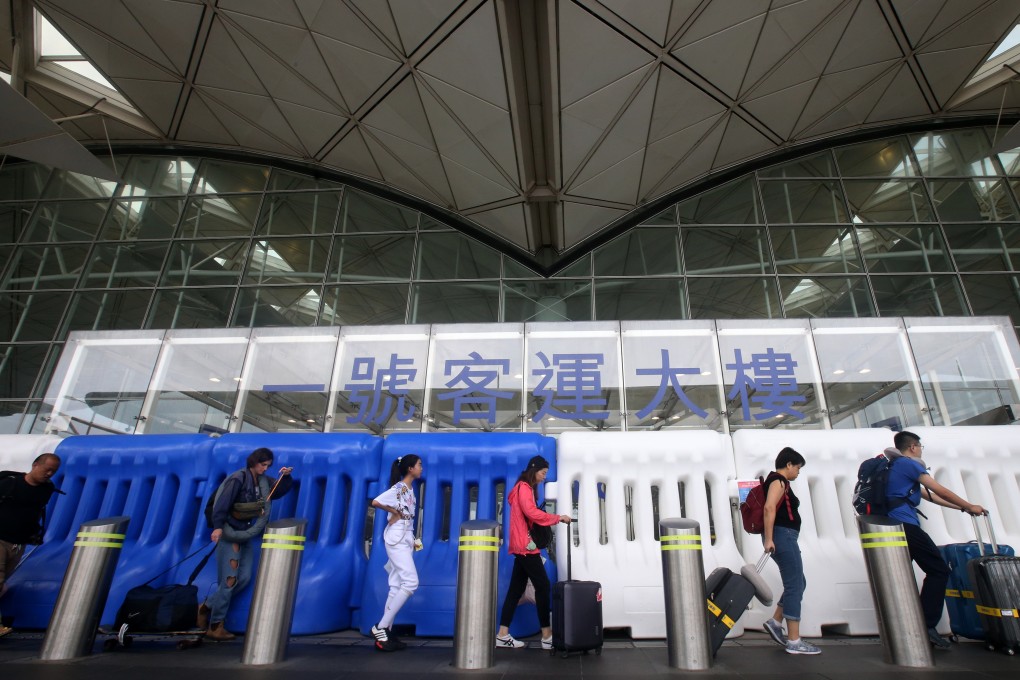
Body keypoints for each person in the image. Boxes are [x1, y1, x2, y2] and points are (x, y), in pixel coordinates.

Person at [886, 430, 985, 650]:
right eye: (920, 446)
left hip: (891, 526)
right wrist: (970, 505)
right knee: (939, 570)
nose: (921, 450)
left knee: (903, 575)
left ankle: (909, 628)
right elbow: (939, 489)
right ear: (913, 447)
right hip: (906, 525)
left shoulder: (894, 467)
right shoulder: (909, 465)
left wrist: (963, 508)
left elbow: (930, 496)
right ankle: (927, 626)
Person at [199, 447, 292, 641]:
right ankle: (216, 625)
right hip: (231, 533)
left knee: (243, 578)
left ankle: (207, 606)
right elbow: (222, 503)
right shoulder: (238, 479)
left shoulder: (262, 482)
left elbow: (278, 491)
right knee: (229, 580)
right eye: (263, 464)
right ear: (254, 462)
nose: (265, 469)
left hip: (243, 533)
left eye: (268, 466)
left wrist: (285, 477)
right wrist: (217, 527)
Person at [495, 455, 572, 650]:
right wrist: (557, 518)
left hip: (523, 546)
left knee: (515, 590)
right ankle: (547, 636)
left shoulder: (523, 488)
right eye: (543, 473)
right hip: (526, 546)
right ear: (534, 470)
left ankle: (502, 634)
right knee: (543, 586)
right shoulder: (524, 488)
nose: (544, 477)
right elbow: (531, 513)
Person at [761, 447, 819, 655]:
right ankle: (794, 641)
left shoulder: (777, 481)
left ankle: (776, 621)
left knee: (799, 582)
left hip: (784, 536)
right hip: (782, 536)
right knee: (794, 585)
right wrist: (769, 539)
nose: (798, 472)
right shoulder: (778, 481)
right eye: (797, 467)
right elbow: (769, 508)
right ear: (788, 465)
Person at [0, 453, 61, 639]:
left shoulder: (46, 490)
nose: (49, 474)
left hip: (18, 544)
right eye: (46, 469)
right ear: (35, 465)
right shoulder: (8, 483)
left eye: (53, 471)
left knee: (2, 585)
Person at [369, 454, 423, 652]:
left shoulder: (409, 489)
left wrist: (395, 512)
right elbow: (375, 502)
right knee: (410, 582)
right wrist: (394, 512)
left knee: (396, 585)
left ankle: (386, 634)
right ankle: (381, 627)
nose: (421, 468)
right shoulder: (400, 487)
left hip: (405, 537)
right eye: (419, 465)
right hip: (397, 538)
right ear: (410, 468)